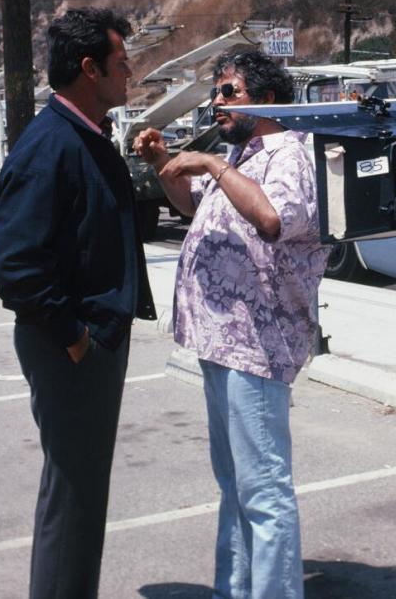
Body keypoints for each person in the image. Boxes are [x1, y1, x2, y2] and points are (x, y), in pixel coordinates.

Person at [134, 48, 328, 599]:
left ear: (265, 98)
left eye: (229, 92)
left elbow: (272, 219)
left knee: (263, 488)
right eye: (217, 91)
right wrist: (164, 163)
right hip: (220, 344)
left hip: (257, 347)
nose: (217, 102)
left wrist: (213, 164)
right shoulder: (242, 154)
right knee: (235, 484)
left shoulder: (285, 154)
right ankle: (234, 590)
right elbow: (194, 207)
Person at [0, 7, 156, 599]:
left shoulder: (83, 135)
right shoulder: (50, 145)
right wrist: (75, 336)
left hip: (90, 337)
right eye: (121, 62)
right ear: (90, 69)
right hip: (71, 346)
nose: (130, 72)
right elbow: (16, 266)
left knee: (83, 494)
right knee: (74, 494)